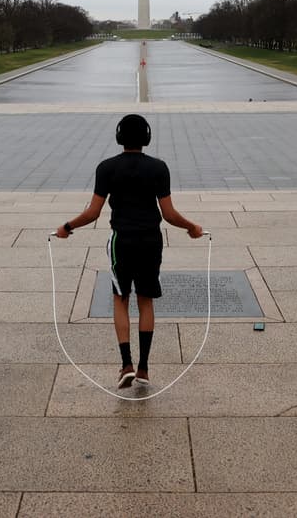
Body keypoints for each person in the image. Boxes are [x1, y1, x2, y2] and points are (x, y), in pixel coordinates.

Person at [55, 114, 203, 389]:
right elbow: (168, 214)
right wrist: (191, 227)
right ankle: (144, 368)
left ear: (119, 137)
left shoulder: (107, 168)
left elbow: (93, 212)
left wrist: (67, 227)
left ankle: (126, 364)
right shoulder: (159, 168)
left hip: (121, 240)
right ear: (146, 137)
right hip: (150, 240)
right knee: (145, 300)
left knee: (120, 298)